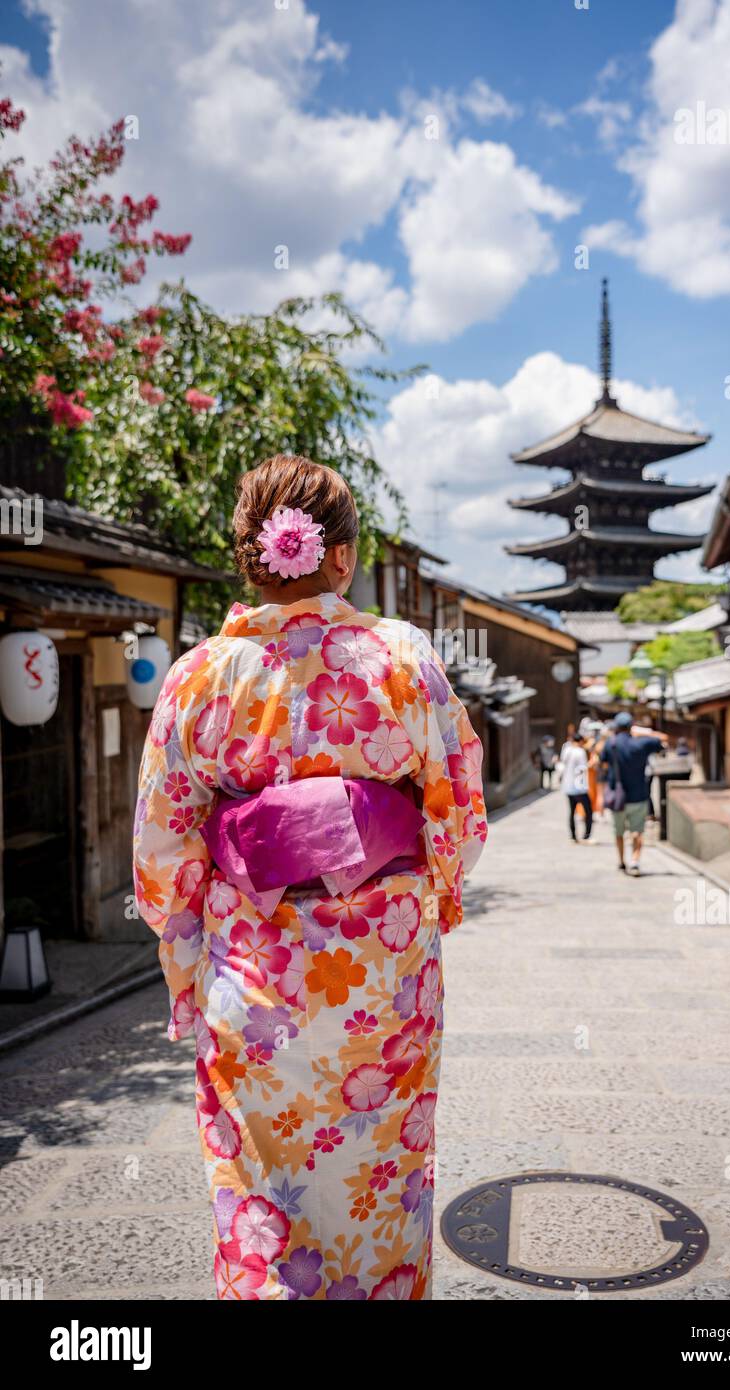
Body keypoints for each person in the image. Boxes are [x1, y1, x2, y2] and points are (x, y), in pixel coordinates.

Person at [133, 453, 487, 1301]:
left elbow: (162, 853)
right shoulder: (400, 656)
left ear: (250, 558)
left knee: (259, 1189)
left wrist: (192, 959)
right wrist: (413, 877)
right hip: (381, 987)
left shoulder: (198, 676)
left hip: (253, 982)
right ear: (340, 558)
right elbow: (458, 819)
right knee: (381, 1188)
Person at [600, 711, 667, 876]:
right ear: (631, 727)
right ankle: (635, 862)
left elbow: (603, 762)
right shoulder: (641, 743)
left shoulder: (611, 744)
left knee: (619, 832)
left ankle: (621, 861)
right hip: (639, 795)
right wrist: (643, 732)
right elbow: (662, 740)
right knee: (637, 831)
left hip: (618, 797)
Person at [559, 730, 593, 842]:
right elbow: (582, 769)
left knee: (572, 811)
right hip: (579, 787)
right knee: (588, 811)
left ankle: (573, 835)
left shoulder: (566, 750)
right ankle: (586, 834)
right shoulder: (580, 751)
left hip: (568, 786)